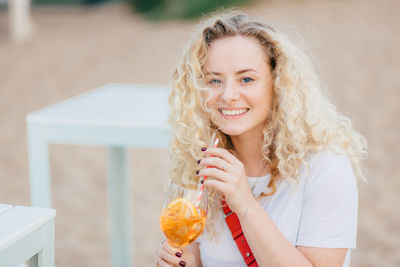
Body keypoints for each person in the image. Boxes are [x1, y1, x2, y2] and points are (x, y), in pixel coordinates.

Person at [155, 11, 367, 267]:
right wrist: (187, 261)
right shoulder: (200, 162)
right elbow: (199, 257)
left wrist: (245, 206)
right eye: (214, 80)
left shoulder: (325, 165)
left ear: (277, 84)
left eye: (246, 79)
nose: (228, 95)